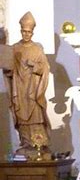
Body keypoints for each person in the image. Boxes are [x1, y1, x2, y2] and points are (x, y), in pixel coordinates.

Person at [3, 11, 50, 157]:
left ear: (32, 32)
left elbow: (45, 68)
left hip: (33, 91)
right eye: (24, 31)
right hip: (19, 89)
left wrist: (34, 66)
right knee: (22, 117)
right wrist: (8, 70)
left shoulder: (37, 48)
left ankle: (39, 146)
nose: (26, 34)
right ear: (21, 31)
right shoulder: (15, 48)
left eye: (29, 32)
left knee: (36, 116)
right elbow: (9, 70)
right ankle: (26, 144)